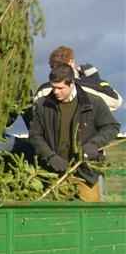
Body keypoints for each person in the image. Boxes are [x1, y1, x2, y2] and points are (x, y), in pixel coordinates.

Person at [29, 63, 120, 201]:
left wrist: (94, 145)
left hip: (86, 173)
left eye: (60, 88)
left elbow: (112, 127)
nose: (56, 92)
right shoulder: (43, 105)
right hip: (54, 174)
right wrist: (50, 157)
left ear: (71, 83)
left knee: (88, 215)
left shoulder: (93, 102)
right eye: (53, 87)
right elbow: (35, 135)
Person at [34, 45, 122, 111]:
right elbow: (116, 101)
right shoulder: (86, 87)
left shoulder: (42, 90)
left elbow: (35, 114)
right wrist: (95, 79)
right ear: (71, 62)